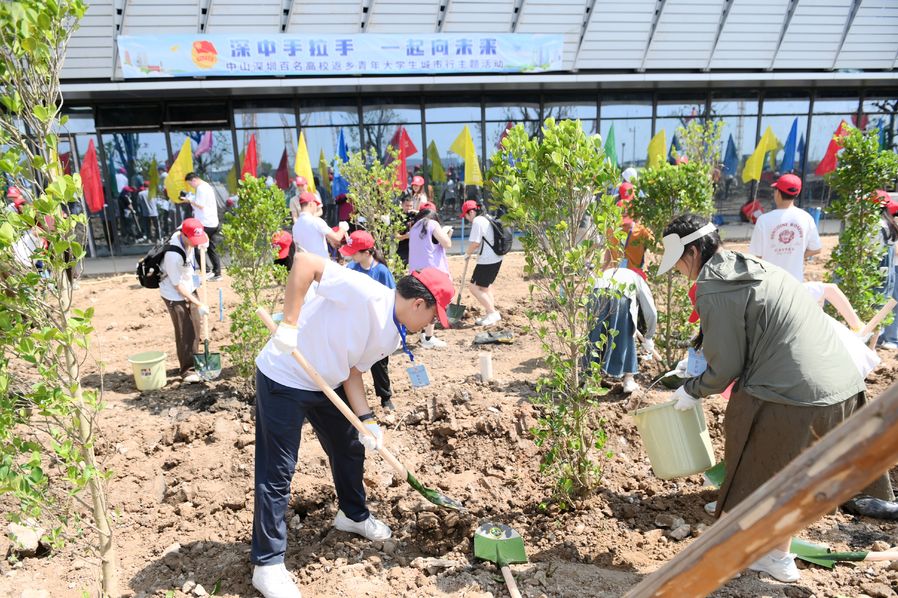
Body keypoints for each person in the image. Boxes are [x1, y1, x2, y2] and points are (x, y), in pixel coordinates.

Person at [659, 213, 892, 583]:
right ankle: (763, 539)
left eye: (677, 263)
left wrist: (691, 390)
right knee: (775, 462)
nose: (678, 272)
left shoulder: (714, 285)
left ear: (690, 252)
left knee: (765, 457)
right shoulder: (751, 266)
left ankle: (767, 555)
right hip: (843, 385)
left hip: (795, 395)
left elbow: (726, 367)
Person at [252, 252, 453, 598]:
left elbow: (353, 372)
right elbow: (304, 264)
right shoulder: (364, 292)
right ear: (420, 304)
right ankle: (267, 564)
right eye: (435, 316)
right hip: (284, 376)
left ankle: (352, 514)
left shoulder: (392, 335)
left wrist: (367, 421)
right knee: (278, 470)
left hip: (324, 385)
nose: (431, 324)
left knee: (349, 448)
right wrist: (289, 323)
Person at [340, 230, 397, 411]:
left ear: (366, 252)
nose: (351, 256)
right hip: (356, 327)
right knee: (351, 365)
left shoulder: (381, 272)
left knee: (379, 365)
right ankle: (349, 399)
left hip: (376, 328)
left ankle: (385, 397)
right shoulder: (351, 269)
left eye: (354, 252)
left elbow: (392, 299)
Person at [588, 266, 657, 393]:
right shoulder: (639, 280)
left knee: (595, 335)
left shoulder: (610, 271)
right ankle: (629, 381)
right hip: (620, 294)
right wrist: (649, 337)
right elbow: (651, 312)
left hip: (595, 293)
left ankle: (588, 381)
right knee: (625, 334)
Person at [159, 218, 210, 385]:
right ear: (183, 235)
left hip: (190, 285)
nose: (195, 244)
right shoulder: (172, 255)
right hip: (174, 294)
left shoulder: (190, 232)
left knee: (196, 325)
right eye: (193, 241)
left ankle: (196, 361)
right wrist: (198, 302)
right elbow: (177, 286)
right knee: (184, 331)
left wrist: (204, 244)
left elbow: (202, 236)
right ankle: (187, 370)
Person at [748, 174, 821, 281]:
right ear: (797, 193)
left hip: (770, 282)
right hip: (795, 283)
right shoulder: (806, 218)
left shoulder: (764, 220)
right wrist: (795, 256)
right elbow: (816, 249)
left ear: (777, 193)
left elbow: (755, 256)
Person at [408, 206, 452, 348]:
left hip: (416, 272)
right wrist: (447, 233)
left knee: (421, 303)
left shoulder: (414, 228)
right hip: (432, 273)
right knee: (433, 304)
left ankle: (423, 333)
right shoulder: (433, 224)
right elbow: (447, 244)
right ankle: (428, 338)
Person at [462, 200, 502, 327]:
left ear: (472, 212)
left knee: (473, 287)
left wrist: (467, 254)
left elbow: (475, 243)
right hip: (497, 257)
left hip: (487, 260)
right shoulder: (487, 217)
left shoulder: (478, 221)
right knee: (485, 287)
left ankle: (491, 313)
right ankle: (491, 314)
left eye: (466, 215)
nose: (467, 219)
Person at [185, 172, 222, 281]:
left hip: (205, 223)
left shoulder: (201, 188)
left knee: (196, 246)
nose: (191, 186)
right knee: (211, 247)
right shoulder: (207, 186)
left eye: (190, 184)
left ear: (194, 180)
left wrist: (189, 200)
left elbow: (200, 205)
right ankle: (217, 273)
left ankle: (206, 270)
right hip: (213, 221)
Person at [292, 191, 348, 258]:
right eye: (316, 204)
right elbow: (337, 238)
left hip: (306, 265)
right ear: (311, 204)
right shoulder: (316, 221)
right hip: (321, 264)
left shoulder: (295, 226)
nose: (316, 208)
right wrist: (343, 227)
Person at [875, 190, 898, 349]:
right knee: (889, 301)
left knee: (883, 302)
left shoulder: (878, 225)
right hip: (890, 268)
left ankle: (891, 338)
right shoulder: (889, 223)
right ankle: (887, 335)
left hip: (887, 267)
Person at [396, 194, 417, 266]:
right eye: (407, 206)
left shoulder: (415, 215)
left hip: (415, 249)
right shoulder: (398, 217)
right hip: (402, 249)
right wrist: (406, 236)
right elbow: (397, 236)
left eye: (411, 206)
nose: (409, 208)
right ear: (402, 205)